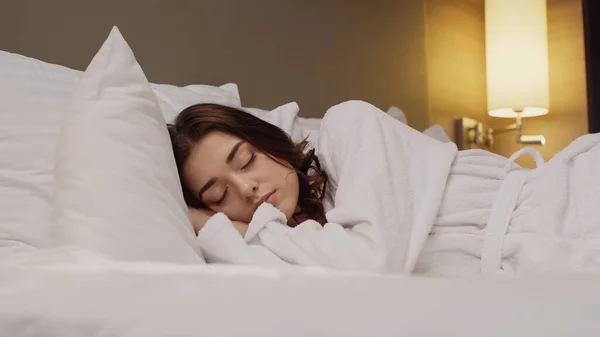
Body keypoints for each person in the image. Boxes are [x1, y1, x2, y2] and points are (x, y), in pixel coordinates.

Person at [168, 101, 600, 276]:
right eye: (218, 197)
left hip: (572, 201)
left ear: (268, 141)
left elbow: (375, 259)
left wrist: (245, 230)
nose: (246, 188)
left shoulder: (346, 125)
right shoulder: (299, 245)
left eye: (246, 160)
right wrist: (216, 228)